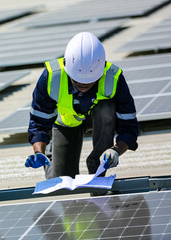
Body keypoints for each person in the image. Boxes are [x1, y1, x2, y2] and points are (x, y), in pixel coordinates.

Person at [25, 32, 138, 179]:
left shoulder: (114, 78)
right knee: (61, 181)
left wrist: (116, 150)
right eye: (77, 81)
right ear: (67, 67)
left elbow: (129, 127)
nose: (83, 85)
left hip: (100, 119)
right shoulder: (51, 77)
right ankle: (52, 154)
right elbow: (38, 123)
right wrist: (38, 152)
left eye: (90, 81)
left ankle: (98, 169)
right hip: (67, 125)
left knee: (106, 108)